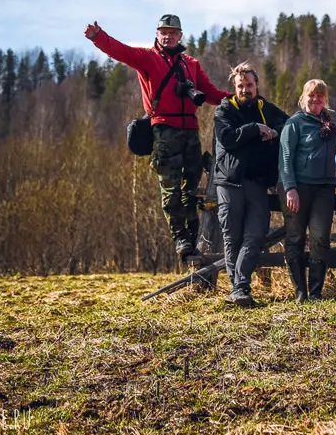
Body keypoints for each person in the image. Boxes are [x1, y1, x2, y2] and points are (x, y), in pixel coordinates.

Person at [83, 14, 228, 259]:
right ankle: (181, 238)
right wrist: (99, 37)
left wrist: (240, 100)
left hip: (190, 131)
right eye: (164, 32)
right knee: (170, 189)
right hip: (163, 129)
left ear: (180, 36)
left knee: (190, 189)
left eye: (173, 33)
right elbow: (121, 51)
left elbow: (211, 93)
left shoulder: (190, 63)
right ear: (157, 34)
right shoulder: (148, 58)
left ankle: (193, 236)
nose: (168, 36)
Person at [213, 61, 289, 306]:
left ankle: (239, 288)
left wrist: (274, 132)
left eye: (249, 85)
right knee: (232, 236)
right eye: (240, 85)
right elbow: (228, 138)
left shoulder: (265, 107)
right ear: (234, 87)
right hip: (230, 182)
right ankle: (241, 287)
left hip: (257, 182)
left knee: (255, 234)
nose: (245, 89)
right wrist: (255, 128)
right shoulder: (224, 110)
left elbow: (288, 124)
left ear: (257, 85)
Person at [278, 79, 336, 303]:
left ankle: (316, 292)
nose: (315, 100)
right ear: (303, 97)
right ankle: (300, 291)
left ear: (325, 99)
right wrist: (290, 188)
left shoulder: (333, 122)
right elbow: (285, 159)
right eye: (311, 95)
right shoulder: (294, 124)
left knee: (320, 237)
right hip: (298, 187)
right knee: (295, 237)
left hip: (325, 187)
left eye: (320, 96)